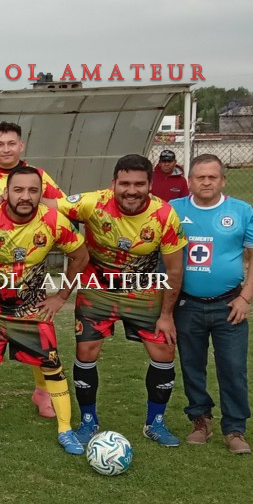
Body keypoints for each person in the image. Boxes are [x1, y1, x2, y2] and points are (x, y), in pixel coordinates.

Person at [0, 165, 90, 453]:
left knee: (53, 367)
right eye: (18, 190)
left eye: (32, 190)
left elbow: (81, 256)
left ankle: (66, 431)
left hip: (33, 310)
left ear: (41, 194)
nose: (25, 196)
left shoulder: (53, 221)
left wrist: (60, 296)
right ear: (6, 193)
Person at [57, 154, 188, 448]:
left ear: (150, 185)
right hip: (97, 288)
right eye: (125, 183)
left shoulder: (164, 214)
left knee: (164, 351)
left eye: (139, 184)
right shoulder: (92, 202)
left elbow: (175, 270)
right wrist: (2, 196)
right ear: (114, 183)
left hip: (143, 290)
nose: (131, 190)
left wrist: (167, 315)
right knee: (86, 351)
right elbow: (47, 205)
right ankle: (88, 421)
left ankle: (155, 423)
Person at [0, 121, 66, 419]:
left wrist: (7, 197)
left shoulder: (38, 175)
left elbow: (63, 206)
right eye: (0, 144)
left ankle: (42, 392)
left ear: (21, 146)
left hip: (29, 276)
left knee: (40, 335)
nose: (6, 149)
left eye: (11, 143)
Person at [171, 154, 253, 454]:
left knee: (233, 367)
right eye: (200, 177)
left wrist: (245, 297)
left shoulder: (241, 211)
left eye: (212, 177)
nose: (206, 182)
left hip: (229, 304)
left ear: (223, 180)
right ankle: (200, 420)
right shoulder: (173, 210)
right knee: (191, 366)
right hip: (186, 304)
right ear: (190, 181)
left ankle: (235, 428)